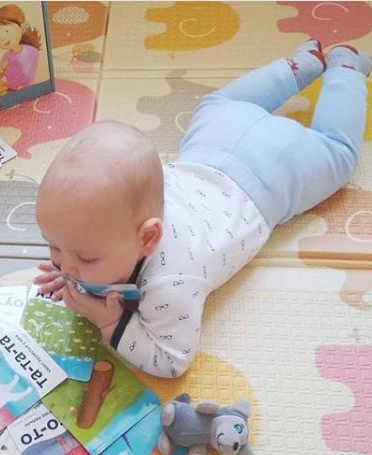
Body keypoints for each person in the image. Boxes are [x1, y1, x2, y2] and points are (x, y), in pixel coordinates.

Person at [34, 42, 370, 378]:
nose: (64, 264)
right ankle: (301, 65)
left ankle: (344, 68)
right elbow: (82, 238)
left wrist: (110, 321)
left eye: (87, 258)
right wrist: (73, 269)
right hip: (216, 138)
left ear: (149, 237)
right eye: (55, 246)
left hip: (275, 171)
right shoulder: (120, 210)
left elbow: (171, 360)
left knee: (337, 150)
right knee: (220, 103)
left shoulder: (170, 283)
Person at [0, 4, 41, 90]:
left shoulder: (31, 51)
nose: (1, 39)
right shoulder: (6, 56)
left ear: (22, 26)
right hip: (9, 89)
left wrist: (25, 85)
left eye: (6, 31)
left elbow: (31, 70)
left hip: (26, 88)